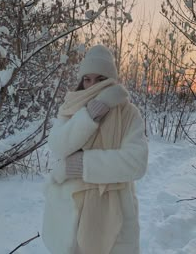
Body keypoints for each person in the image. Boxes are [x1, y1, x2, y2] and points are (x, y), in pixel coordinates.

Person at [42, 44, 148, 254]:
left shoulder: (128, 113)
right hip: (71, 209)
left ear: (112, 79)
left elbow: (136, 163)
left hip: (115, 211)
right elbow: (58, 147)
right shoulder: (71, 107)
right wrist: (89, 116)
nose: (92, 85)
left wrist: (82, 165)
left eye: (100, 79)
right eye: (87, 79)